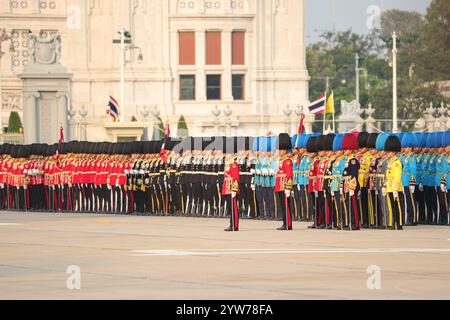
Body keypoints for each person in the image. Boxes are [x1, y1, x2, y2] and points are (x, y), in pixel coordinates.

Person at [275, 133, 294, 231]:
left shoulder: (287, 161)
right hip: (279, 186)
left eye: (281, 149)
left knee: (286, 206)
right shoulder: (282, 160)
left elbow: (289, 175)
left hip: (284, 186)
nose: (279, 151)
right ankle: (285, 223)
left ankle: (288, 224)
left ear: (285, 150)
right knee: (283, 206)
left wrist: (288, 187)